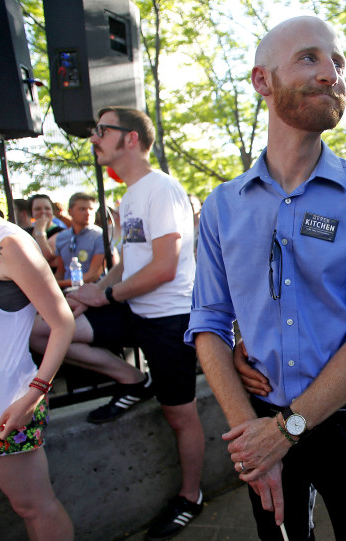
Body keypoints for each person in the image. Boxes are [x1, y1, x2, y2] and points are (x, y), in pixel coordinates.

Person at [186, 16, 346, 541]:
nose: (331, 73)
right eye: (309, 58)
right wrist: (253, 437)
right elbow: (208, 323)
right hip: (258, 420)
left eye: (337, 62)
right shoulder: (221, 207)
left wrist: (285, 431)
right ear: (263, 81)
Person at [30, 107, 206, 541]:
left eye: (102, 131)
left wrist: (105, 295)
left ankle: (191, 497)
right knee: (45, 328)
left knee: (179, 415)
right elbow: (131, 261)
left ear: (130, 139)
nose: (94, 138)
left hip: (169, 319)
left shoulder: (161, 189)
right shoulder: (129, 196)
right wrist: (91, 295)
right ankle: (132, 380)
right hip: (134, 309)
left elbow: (164, 267)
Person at [0, 152, 75, 540]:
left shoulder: (9, 244)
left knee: (33, 506)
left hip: (1, 406)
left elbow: (61, 321)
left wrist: (36, 392)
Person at [53, 192, 105, 289]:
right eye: (82, 209)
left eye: (91, 209)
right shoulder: (61, 237)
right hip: (67, 291)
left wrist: (57, 284)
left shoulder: (100, 236)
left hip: (91, 291)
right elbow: (60, 271)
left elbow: (93, 276)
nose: (88, 213)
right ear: (70, 211)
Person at [26, 194, 62, 264]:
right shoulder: (26, 233)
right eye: (38, 209)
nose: (43, 212)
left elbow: (47, 256)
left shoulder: (61, 232)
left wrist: (40, 230)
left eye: (47, 208)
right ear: (31, 213)